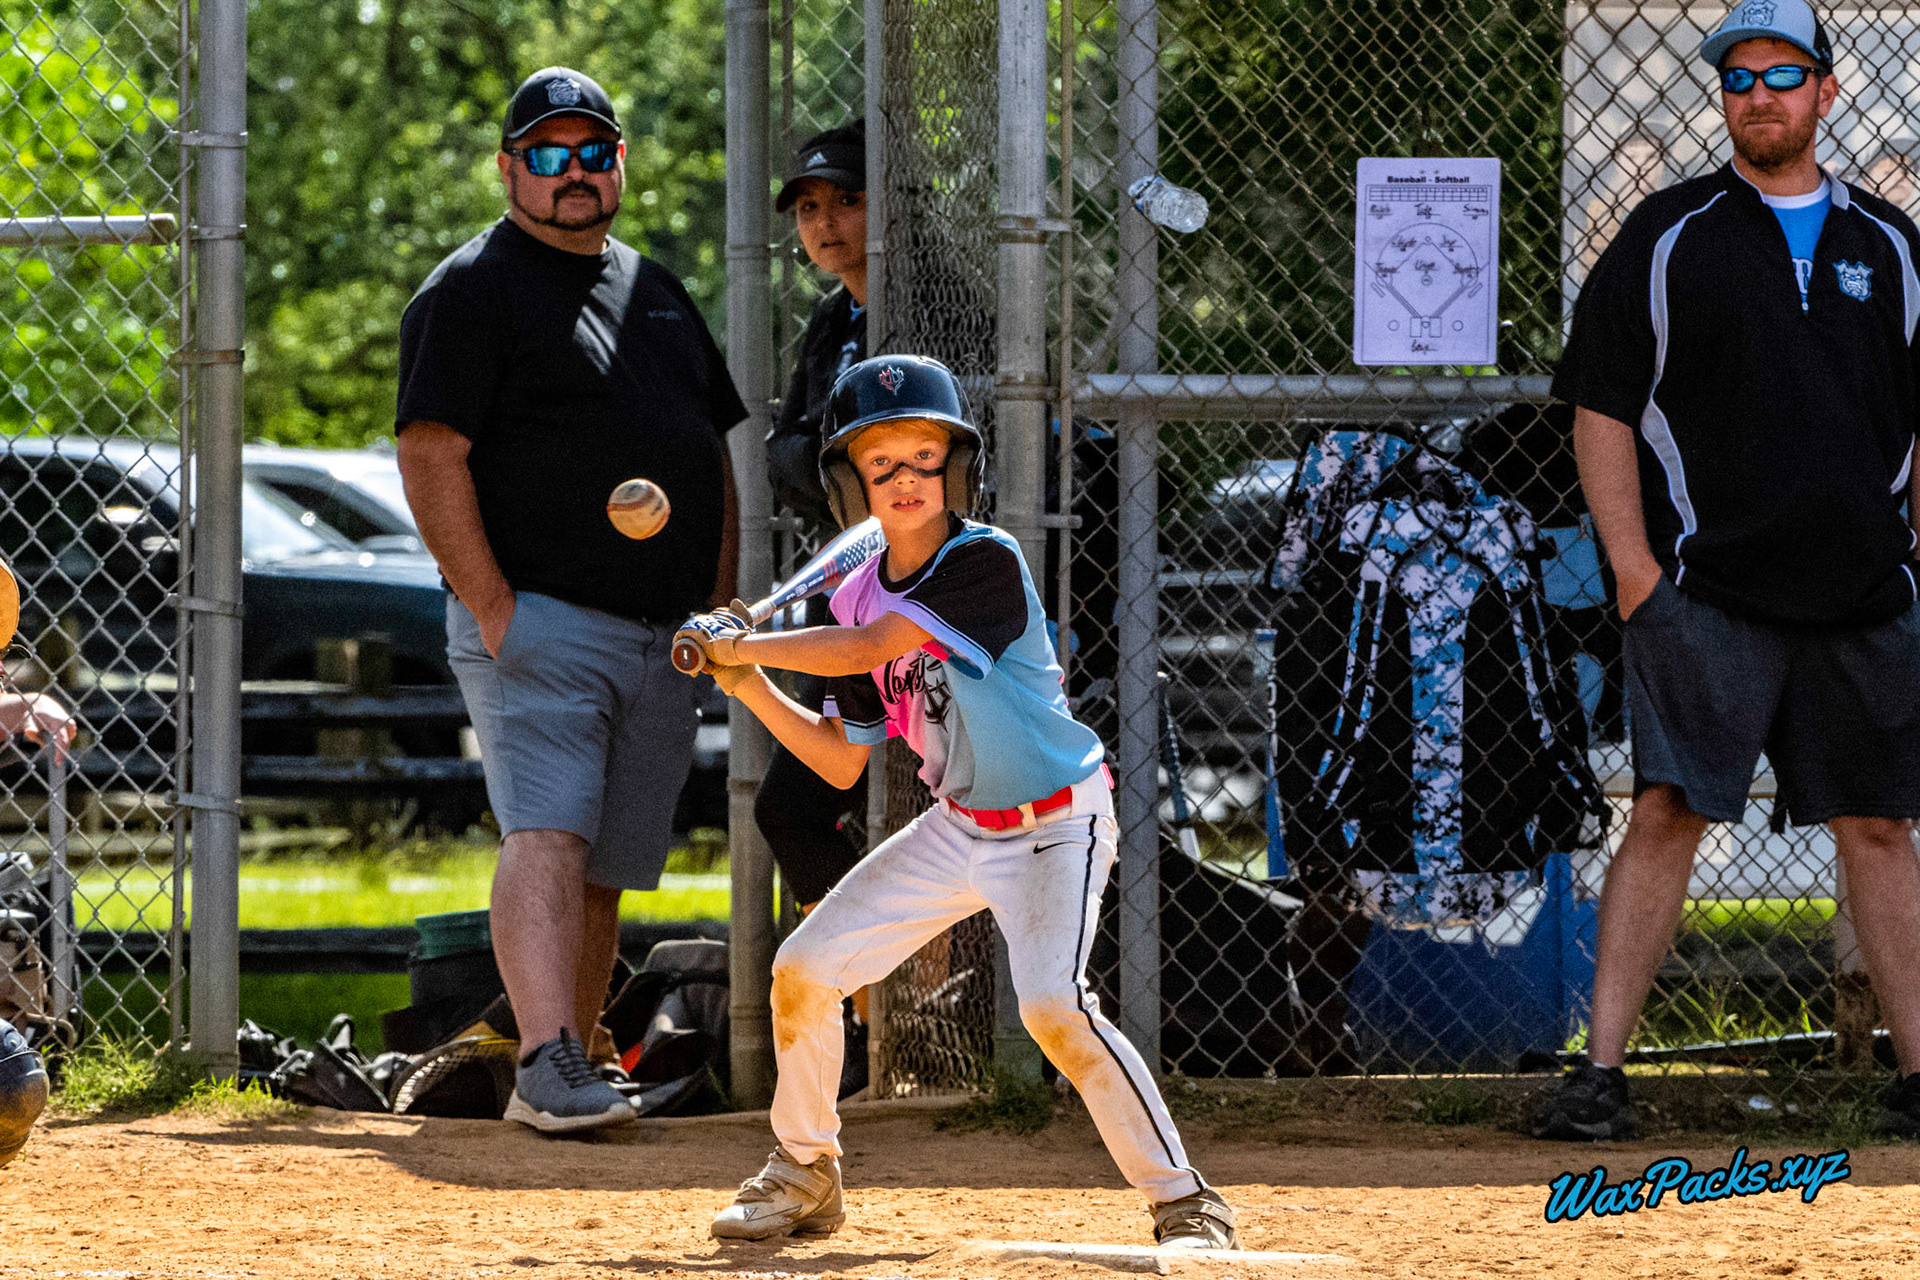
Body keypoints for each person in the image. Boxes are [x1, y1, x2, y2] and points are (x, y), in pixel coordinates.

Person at [678, 355, 1237, 1249]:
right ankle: (805, 1170)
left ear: (959, 468)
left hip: (1058, 821)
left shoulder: (984, 560)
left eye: (925, 459)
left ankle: (1185, 1199)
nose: (905, 480)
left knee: (1055, 1005)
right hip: (959, 826)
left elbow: (870, 645)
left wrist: (753, 642)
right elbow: (834, 763)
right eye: (881, 464)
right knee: (806, 969)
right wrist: (744, 683)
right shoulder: (857, 589)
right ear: (850, 481)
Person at [1542, 0, 1920, 1141]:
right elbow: (1600, 408)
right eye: (1738, 76)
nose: (1759, 93)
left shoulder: (1890, 245)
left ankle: (1916, 1073)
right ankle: (1602, 1073)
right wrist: (1634, 574)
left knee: (1882, 827)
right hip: (1705, 595)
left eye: (1782, 73)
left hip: (1863, 596)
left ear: (1826, 91)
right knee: (1663, 812)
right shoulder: (1669, 235)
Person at [395, 67, 746, 1134]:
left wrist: (717, 607)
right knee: (546, 834)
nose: (574, 173)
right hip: (541, 620)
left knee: (605, 864)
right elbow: (429, 451)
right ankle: (545, 1056)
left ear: (620, 165)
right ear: (510, 170)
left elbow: (711, 459)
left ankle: (576, 1057)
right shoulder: (469, 290)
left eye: (594, 152)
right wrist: (496, 607)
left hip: (663, 636)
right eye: (548, 156)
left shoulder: (658, 290)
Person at [758, 119, 870, 918]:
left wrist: (827, 462)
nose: (824, 223)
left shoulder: (949, 306)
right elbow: (785, 451)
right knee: (791, 810)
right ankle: (868, 1021)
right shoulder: (834, 320)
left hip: (932, 611)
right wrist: (839, 468)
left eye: (847, 201)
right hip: (850, 593)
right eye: (808, 208)